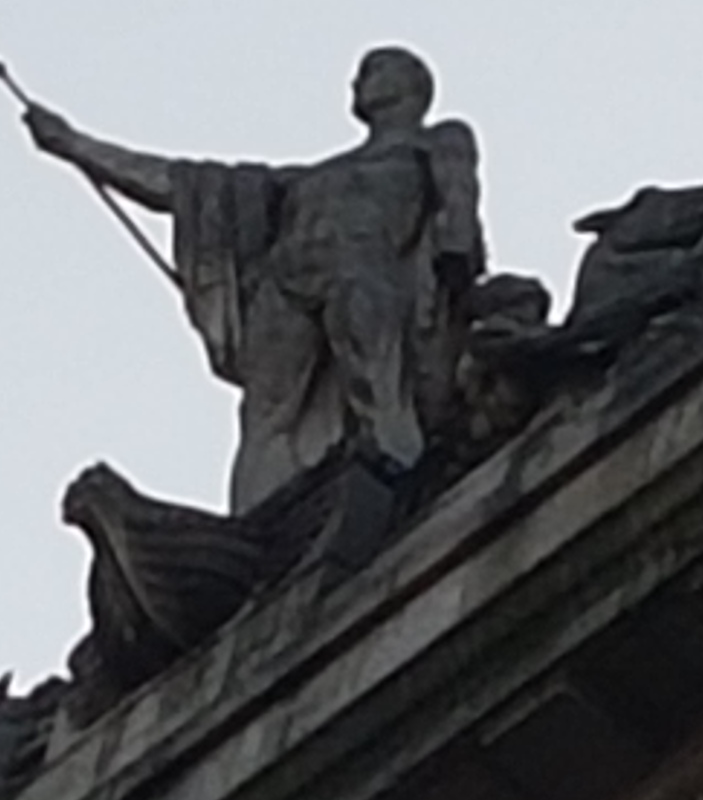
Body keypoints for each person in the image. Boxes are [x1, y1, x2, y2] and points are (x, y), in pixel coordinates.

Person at [25, 46, 487, 519]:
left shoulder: (438, 141)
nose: (355, 82)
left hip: (366, 274)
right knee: (265, 417)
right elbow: (178, 183)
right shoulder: (308, 177)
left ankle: (407, 491)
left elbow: (459, 219)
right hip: (285, 284)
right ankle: (260, 525)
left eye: (371, 70)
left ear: (411, 82)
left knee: (379, 390)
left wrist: (454, 289)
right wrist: (74, 144)